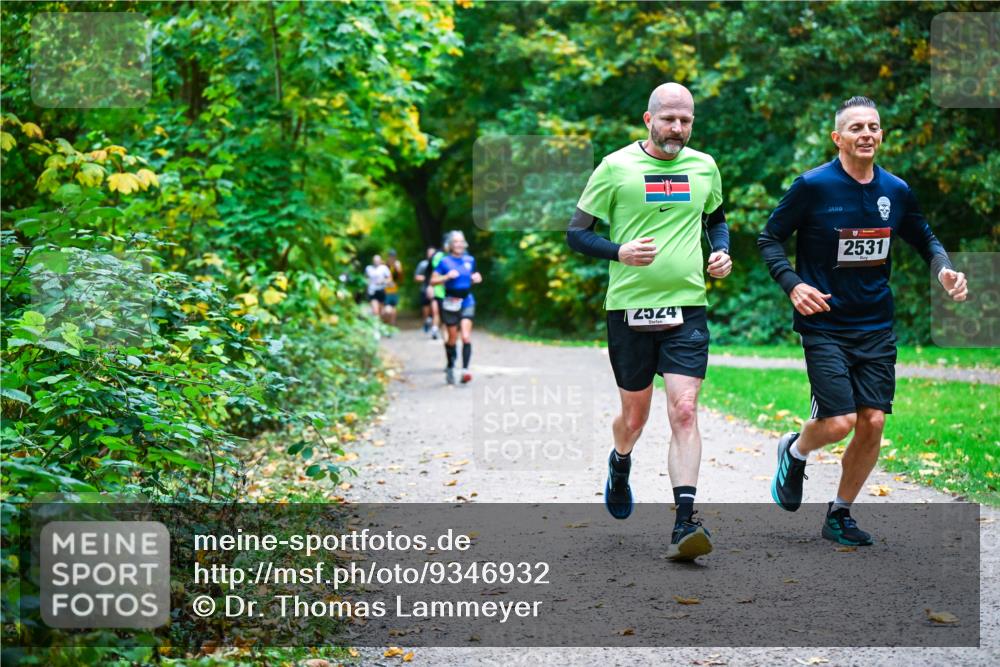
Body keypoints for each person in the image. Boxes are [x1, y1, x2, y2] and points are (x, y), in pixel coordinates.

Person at [758, 95, 969, 546]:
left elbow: (924, 236)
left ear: (881, 135)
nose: (867, 134)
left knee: (872, 421)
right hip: (824, 322)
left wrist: (944, 269)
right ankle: (793, 452)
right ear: (838, 138)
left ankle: (840, 513)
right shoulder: (812, 186)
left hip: (875, 325)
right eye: (856, 128)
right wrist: (793, 284)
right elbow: (769, 238)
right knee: (839, 422)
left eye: (873, 127)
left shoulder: (895, 190)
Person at [566, 82, 732, 561]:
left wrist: (721, 250)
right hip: (628, 310)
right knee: (635, 418)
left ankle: (685, 522)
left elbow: (715, 219)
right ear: (648, 119)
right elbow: (578, 234)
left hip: (687, 307)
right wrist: (618, 251)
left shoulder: (704, 166)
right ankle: (621, 464)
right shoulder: (615, 167)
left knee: (683, 409)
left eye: (685, 121)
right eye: (669, 119)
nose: (677, 129)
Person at [430, 230, 482, 385]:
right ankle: (451, 366)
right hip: (450, 302)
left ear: (464, 244)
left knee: (466, 336)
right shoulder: (445, 262)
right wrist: (446, 277)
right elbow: (433, 281)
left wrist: (476, 279)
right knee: (452, 338)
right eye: (456, 241)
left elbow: (470, 279)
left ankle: (465, 370)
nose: (459, 244)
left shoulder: (470, 260)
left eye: (461, 241)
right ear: (450, 245)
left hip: (467, 301)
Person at [414, 246, 436, 334]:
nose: (431, 255)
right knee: (426, 309)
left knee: (435, 309)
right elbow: (416, 277)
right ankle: (426, 322)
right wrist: (427, 279)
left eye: (433, 253)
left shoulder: (439, 263)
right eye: (429, 253)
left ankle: (434, 326)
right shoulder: (423, 264)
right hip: (425, 289)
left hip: (437, 290)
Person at [365, 254, 391, 319]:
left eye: (377, 260)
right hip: (372, 291)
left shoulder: (384, 268)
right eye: (375, 260)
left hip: (381, 290)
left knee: (382, 311)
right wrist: (368, 283)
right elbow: (365, 279)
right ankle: (376, 325)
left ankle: (381, 324)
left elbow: (389, 279)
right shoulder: (368, 268)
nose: (376, 262)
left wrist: (383, 281)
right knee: (375, 310)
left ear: (380, 261)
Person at [383, 249, 404, 329]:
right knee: (386, 309)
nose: (392, 258)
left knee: (394, 307)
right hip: (385, 290)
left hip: (394, 289)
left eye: (393, 257)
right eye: (391, 257)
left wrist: (398, 270)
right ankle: (387, 324)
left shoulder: (397, 265)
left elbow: (401, 279)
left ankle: (392, 324)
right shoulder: (385, 265)